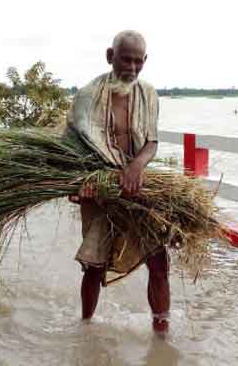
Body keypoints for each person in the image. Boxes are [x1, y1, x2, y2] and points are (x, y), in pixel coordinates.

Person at [65, 30, 170, 333]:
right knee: (94, 265)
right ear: (110, 56)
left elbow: (151, 142)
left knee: (159, 261)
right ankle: (86, 328)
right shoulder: (87, 96)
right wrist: (79, 183)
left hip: (138, 186)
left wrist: (137, 165)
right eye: (126, 59)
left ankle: (161, 336)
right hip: (99, 188)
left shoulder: (149, 94)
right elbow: (72, 147)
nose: (133, 68)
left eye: (139, 61)